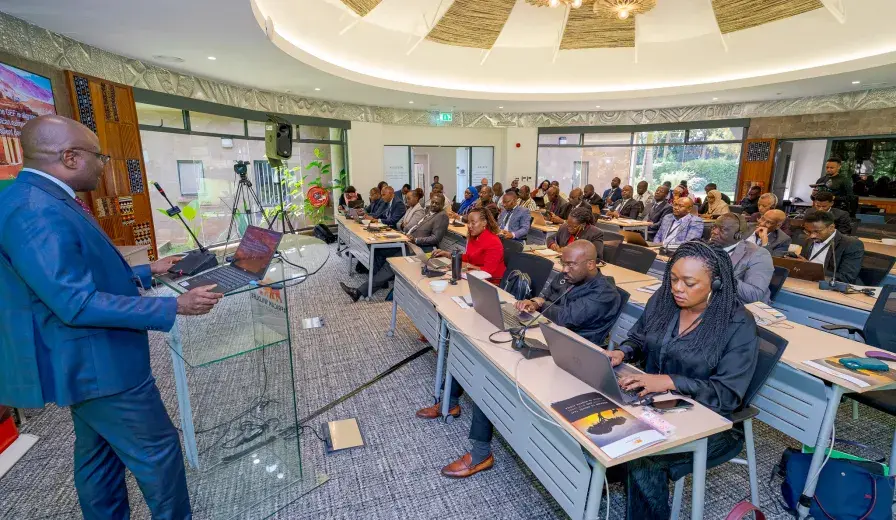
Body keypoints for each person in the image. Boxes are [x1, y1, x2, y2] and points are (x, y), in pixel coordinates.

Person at [0, 115, 225, 519]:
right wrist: (174, 305)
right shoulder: (36, 209)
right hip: (100, 365)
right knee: (158, 452)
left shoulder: (42, 197)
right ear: (69, 156)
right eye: (98, 155)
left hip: (86, 365)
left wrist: (146, 270)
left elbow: (70, 276)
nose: (103, 164)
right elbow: (77, 303)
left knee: (99, 456)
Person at [440, 241, 624, 479]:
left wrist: (541, 306)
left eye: (570, 264)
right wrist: (536, 302)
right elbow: (547, 296)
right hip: (547, 337)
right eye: (563, 262)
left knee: (494, 372)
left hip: (572, 360)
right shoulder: (570, 276)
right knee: (478, 347)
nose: (564, 270)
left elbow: (565, 317)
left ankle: (480, 453)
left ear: (590, 264)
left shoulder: (604, 293)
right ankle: (450, 399)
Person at [606, 241, 759, 520]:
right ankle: (600, 481)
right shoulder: (665, 301)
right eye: (673, 279)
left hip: (711, 421)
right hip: (655, 401)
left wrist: (667, 381)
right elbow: (640, 337)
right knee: (599, 421)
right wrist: (623, 351)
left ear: (716, 283)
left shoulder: (737, 324)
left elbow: (726, 394)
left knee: (644, 456)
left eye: (689, 283)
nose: (677, 288)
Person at [340, 193, 450, 301]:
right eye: (433, 202)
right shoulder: (429, 212)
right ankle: (380, 282)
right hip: (408, 242)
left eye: (437, 203)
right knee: (378, 251)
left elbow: (436, 238)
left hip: (422, 249)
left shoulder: (442, 216)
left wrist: (416, 240)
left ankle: (359, 292)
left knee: (390, 264)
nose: (434, 204)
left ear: (442, 204)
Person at [709, 214, 774, 304]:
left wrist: (719, 275)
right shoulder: (707, 247)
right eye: (714, 227)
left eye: (722, 229)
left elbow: (754, 295)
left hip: (742, 308)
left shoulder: (759, 254)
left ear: (738, 235)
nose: (714, 231)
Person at [794, 212, 865, 284]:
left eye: (817, 231)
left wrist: (811, 267)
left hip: (832, 287)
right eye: (808, 231)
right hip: (806, 282)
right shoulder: (807, 239)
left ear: (831, 228)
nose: (812, 236)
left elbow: (846, 278)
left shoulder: (851, 244)